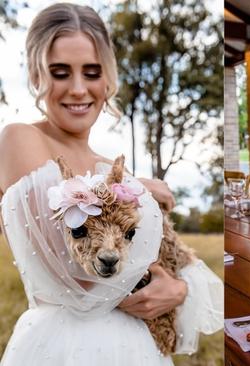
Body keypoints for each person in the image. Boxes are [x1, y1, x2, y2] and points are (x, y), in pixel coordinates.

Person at [0, 3, 223, 365]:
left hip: (136, 345)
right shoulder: (20, 138)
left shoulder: (110, 167)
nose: (77, 89)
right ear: (36, 74)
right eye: (60, 72)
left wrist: (178, 289)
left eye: (91, 72)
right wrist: (143, 189)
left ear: (108, 78)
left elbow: (159, 257)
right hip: (66, 346)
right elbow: (74, 273)